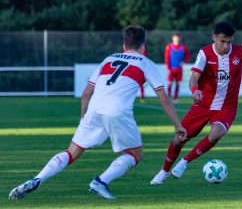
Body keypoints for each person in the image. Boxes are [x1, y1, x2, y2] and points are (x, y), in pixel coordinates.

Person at [9, 25, 186, 200]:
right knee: (135, 154)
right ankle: (101, 181)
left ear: (124, 45)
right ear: (143, 47)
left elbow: (86, 93)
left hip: (94, 108)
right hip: (118, 111)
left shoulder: (108, 59)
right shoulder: (146, 63)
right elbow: (163, 97)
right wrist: (177, 125)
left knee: (71, 152)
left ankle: (37, 178)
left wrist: (83, 118)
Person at [150, 21, 242, 184]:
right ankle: (164, 171)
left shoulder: (240, 51)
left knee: (215, 135)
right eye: (222, 41)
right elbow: (194, 78)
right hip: (204, 104)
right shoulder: (205, 53)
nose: (225, 46)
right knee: (180, 138)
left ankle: (185, 162)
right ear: (214, 37)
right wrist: (195, 91)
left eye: (229, 42)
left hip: (227, 106)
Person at [165, 32, 190, 103]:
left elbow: (187, 56)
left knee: (178, 83)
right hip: (171, 69)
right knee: (170, 83)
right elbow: (167, 58)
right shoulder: (169, 46)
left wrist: (184, 61)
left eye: (178, 38)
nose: (176, 39)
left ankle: (175, 98)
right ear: (173, 38)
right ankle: (168, 97)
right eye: (175, 38)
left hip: (179, 69)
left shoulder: (183, 47)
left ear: (180, 38)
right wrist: (168, 68)